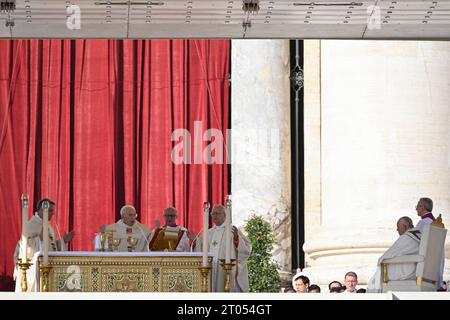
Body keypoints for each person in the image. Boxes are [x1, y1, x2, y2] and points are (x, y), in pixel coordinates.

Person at [13, 198, 74, 291]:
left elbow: (51, 247)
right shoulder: (31, 225)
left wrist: (63, 241)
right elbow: (24, 248)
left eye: (53, 211)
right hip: (34, 269)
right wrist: (39, 239)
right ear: (41, 210)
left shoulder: (47, 225)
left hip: (47, 266)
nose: (53, 214)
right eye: (50, 211)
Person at [194, 204, 252, 292]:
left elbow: (246, 249)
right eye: (212, 214)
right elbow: (199, 248)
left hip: (226, 270)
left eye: (217, 213)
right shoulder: (208, 233)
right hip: (210, 269)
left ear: (224, 215)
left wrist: (236, 239)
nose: (214, 216)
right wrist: (194, 240)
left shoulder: (232, 230)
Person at [367, 217, 421, 292]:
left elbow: (389, 255)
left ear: (404, 226)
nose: (397, 230)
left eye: (398, 227)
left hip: (408, 271)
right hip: (417, 269)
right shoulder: (420, 235)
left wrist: (381, 259)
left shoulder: (407, 237)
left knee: (374, 281)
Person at [414, 197, 445, 288]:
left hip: (424, 268)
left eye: (417, 206)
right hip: (436, 268)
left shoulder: (423, 223)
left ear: (422, 207)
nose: (416, 209)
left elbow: (414, 243)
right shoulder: (436, 223)